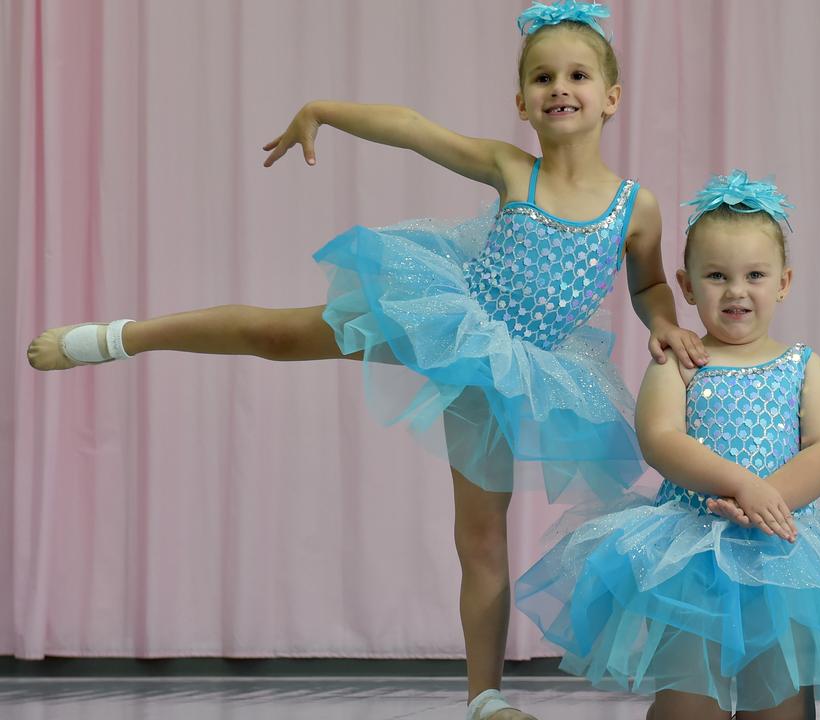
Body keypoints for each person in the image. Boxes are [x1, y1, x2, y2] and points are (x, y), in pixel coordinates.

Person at [26, 3, 706, 718]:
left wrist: (663, 323)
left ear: (611, 97)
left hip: (517, 374)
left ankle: (485, 699)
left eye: (576, 74)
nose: (559, 87)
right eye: (543, 76)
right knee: (282, 336)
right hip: (449, 319)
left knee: (481, 537)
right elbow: (414, 130)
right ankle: (120, 336)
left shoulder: (638, 207)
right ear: (522, 102)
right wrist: (325, 108)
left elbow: (650, 281)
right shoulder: (514, 169)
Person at [515, 171, 820, 720]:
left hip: (785, 552)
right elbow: (661, 439)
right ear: (688, 285)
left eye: (755, 275)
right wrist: (741, 484)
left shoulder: (803, 365)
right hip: (692, 549)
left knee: (782, 702)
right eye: (717, 276)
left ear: (784, 281)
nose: (737, 291)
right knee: (688, 702)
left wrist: (766, 498)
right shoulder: (680, 361)